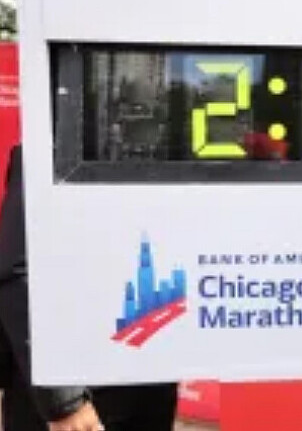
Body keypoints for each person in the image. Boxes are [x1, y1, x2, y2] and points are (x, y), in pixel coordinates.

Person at [0, 145, 179, 431]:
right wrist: (64, 403)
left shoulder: (173, 146)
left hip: (149, 392)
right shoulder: (52, 138)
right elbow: (19, 271)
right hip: (77, 405)